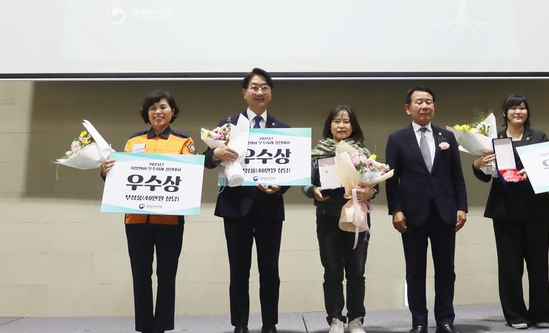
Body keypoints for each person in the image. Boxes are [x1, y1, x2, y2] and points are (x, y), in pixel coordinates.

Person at [100, 90, 197, 333]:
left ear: (173, 112)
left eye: (163, 107)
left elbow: (191, 177)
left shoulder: (184, 142)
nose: (158, 112)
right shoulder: (133, 141)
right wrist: (106, 171)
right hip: (135, 220)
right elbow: (120, 178)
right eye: (153, 108)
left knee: (167, 276)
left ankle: (161, 327)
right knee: (140, 275)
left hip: (170, 221)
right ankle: (144, 327)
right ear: (147, 113)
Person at [203, 68, 289, 333]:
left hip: (269, 208)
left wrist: (281, 187)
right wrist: (216, 153)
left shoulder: (283, 129)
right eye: (254, 87)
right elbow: (207, 160)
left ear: (271, 93)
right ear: (244, 93)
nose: (259, 92)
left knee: (270, 271)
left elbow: (291, 170)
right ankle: (240, 324)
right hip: (235, 207)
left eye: (264, 87)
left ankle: (269, 324)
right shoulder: (228, 124)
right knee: (239, 271)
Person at [385, 86, 468, 333]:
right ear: (408, 108)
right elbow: (391, 179)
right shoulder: (397, 139)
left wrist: (462, 206)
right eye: (419, 102)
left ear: (434, 106)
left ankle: (445, 320)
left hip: (445, 211)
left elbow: (457, 175)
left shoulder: (447, 137)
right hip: (412, 214)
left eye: (429, 102)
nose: (424, 106)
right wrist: (396, 210)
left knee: (446, 270)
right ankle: (419, 321)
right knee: (415, 271)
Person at [473, 94, 549, 329]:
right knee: (510, 266)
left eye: (522, 107)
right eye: (513, 108)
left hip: (536, 208)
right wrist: (477, 165)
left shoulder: (538, 136)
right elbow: (484, 174)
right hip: (504, 209)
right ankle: (515, 315)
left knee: (538, 264)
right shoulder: (493, 139)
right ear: (504, 113)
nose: (518, 112)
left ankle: (541, 313)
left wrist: (533, 170)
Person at [302, 105, 377, 333]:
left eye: (346, 121)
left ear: (353, 126)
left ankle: (355, 320)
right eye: (336, 121)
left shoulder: (363, 153)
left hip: (357, 218)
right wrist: (313, 190)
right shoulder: (317, 153)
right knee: (332, 272)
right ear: (330, 125)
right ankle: (335, 318)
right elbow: (305, 182)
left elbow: (375, 186)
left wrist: (370, 192)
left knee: (356, 272)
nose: (341, 125)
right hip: (328, 218)